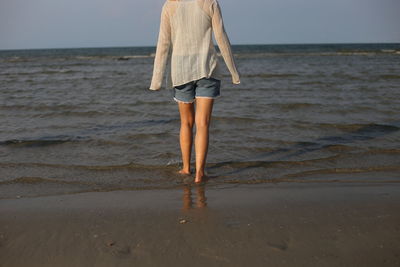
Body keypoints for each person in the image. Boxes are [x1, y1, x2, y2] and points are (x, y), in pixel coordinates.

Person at [149, 0, 240, 183]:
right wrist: (233, 71)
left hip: (181, 70)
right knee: (203, 123)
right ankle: (200, 173)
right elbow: (221, 36)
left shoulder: (170, 5)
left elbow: (163, 43)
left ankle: (185, 168)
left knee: (186, 123)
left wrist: (156, 80)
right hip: (207, 67)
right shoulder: (209, 2)